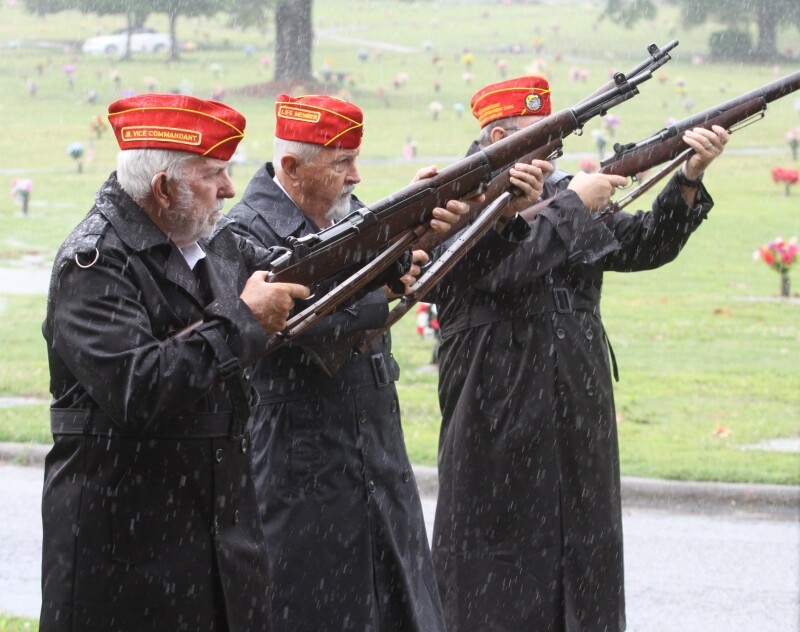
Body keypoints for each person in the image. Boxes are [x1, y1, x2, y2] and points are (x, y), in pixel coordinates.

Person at [226, 93, 538, 631]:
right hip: (300, 456)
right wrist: (384, 275)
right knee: (312, 608)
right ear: (293, 167)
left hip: (373, 449)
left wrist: (477, 216)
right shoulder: (244, 232)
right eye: (341, 163)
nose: (355, 176)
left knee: (398, 603)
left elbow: (441, 278)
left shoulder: (348, 220)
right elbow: (304, 317)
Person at [430, 76, 729, 631]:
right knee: (494, 570)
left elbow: (645, 245)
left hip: (576, 408)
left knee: (584, 555)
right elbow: (502, 273)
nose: (553, 155)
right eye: (539, 139)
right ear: (498, 136)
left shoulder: (561, 189)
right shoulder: (453, 197)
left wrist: (687, 178)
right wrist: (573, 206)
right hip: (496, 408)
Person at [40, 94, 310, 632]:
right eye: (214, 174)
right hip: (127, 555)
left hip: (214, 541)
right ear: (163, 189)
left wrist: (401, 243)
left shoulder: (207, 244)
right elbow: (139, 389)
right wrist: (241, 320)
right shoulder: (93, 263)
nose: (231, 189)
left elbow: (305, 277)